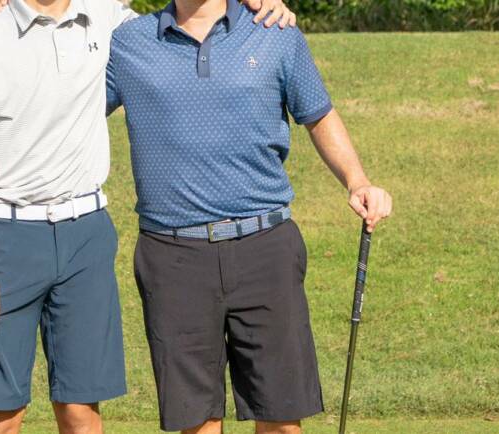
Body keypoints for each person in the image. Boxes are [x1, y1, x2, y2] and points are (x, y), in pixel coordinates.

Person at [0, 0, 297, 433]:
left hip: (85, 234)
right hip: (7, 233)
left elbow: (192, 17)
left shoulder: (107, 17)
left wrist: (256, 3)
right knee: (2, 414)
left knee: (81, 411)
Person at [104, 0, 392, 432]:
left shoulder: (274, 32)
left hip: (265, 247)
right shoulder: (127, 43)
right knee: (197, 421)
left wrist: (357, 180)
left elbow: (318, 115)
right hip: (173, 255)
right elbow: (65, 107)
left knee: (280, 416)